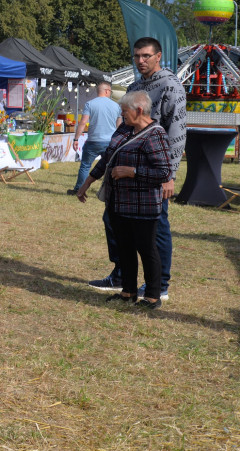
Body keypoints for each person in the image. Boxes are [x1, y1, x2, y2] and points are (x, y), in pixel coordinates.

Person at [88, 38, 184, 300]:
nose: (140, 60)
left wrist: (170, 176)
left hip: (152, 172)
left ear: (158, 56)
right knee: (114, 221)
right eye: (137, 56)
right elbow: (124, 128)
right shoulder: (135, 85)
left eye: (145, 56)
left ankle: (160, 286)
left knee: (156, 228)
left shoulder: (170, 85)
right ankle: (122, 276)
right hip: (124, 176)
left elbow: (177, 131)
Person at [77, 91, 171, 309]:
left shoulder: (155, 135)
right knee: (125, 248)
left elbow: (163, 172)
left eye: (124, 111)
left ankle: (152, 296)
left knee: (147, 250)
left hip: (143, 205)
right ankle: (127, 291)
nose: (122, 115)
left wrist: (133, 172)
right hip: (118, 203)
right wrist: (87, 182)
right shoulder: (124, 130)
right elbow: (108, 158)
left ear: (139, 110)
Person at [68, 81, 121, 195]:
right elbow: (119, 126)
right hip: (110, 142)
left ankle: (79, 189)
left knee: (85, 166)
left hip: (93, 141)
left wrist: (76, 139)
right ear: (107, 91)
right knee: (110, 167)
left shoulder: (90, 104)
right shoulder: (116, 106)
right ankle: (111, 191)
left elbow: (83, 123)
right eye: (110, 91)